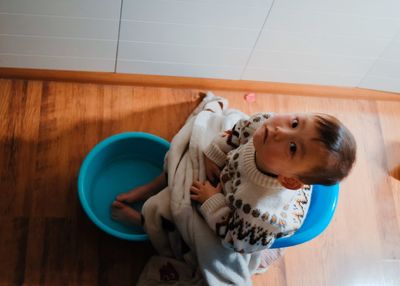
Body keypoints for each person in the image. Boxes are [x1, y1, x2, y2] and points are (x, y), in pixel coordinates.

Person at [111, 111, 356, 253]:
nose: (282, 131)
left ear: (289, 179)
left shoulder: (261, 211)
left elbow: (236, 241)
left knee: (172, 218)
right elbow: (238, 131)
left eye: (293, 147)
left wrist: (213, 201)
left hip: (238, 215)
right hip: (231, 175)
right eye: (295, 123)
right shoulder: (267, 126)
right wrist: (214, 155)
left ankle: (143, 222)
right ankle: (150, 187)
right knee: (178, 167)